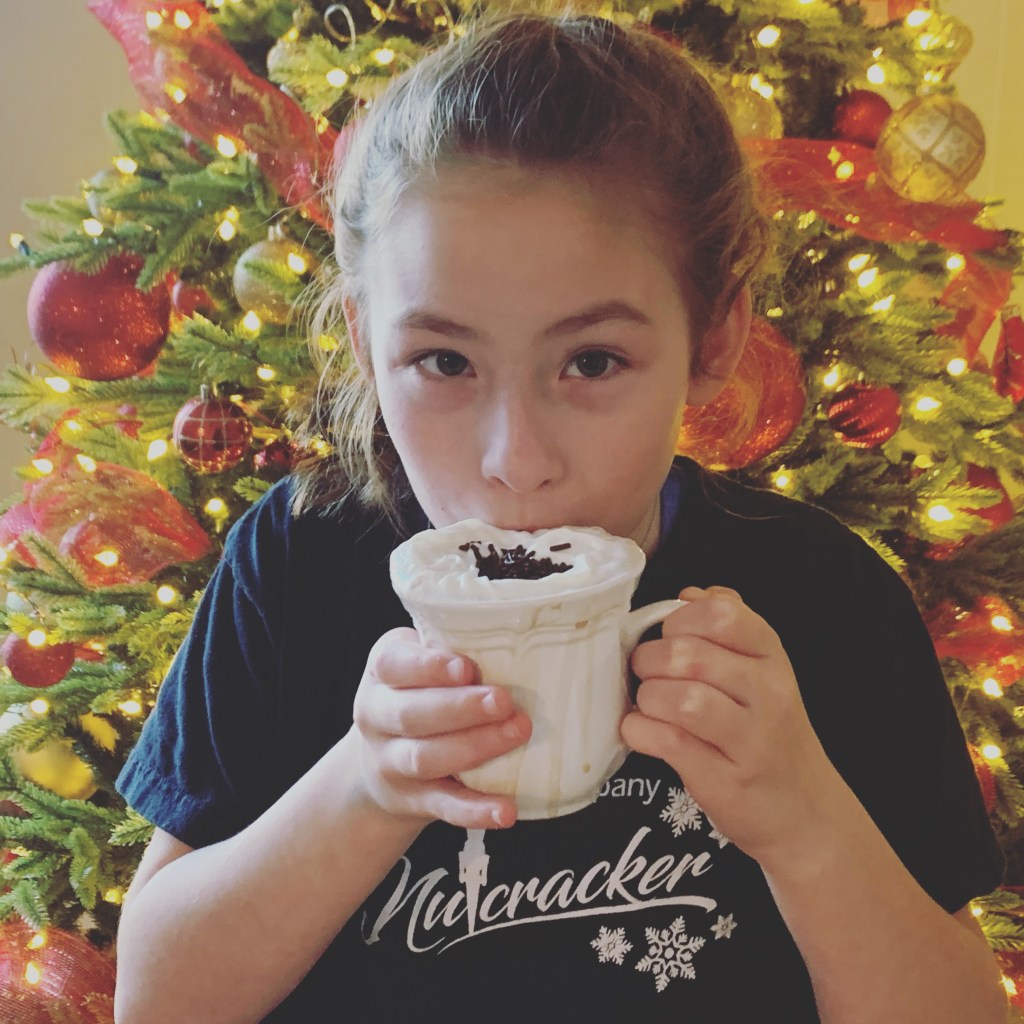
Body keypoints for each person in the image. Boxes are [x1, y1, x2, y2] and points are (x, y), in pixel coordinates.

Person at [112, 11, 1008, 1024]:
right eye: (443, 362)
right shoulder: (298, 562)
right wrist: (364, 787)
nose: (517, 463)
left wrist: (805, 822)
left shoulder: (822, 597)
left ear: (713, 338)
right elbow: (157, 1001)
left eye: (591, 362)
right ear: (365, 345)